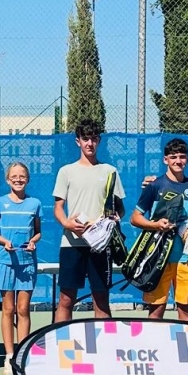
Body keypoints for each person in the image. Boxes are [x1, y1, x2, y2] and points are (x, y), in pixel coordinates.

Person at [52, 119, 124, 323]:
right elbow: (58, 208)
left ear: (99, 140)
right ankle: (61, 341)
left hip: (100, 246)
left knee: (101, 299)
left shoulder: (110, 171)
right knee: (66, 299)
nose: (90, 143)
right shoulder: (66, 171)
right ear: (78, 141)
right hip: (72, 244)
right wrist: (67, 223)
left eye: (93, 139)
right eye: (85, 139)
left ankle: (104, 342)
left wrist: (109, 221)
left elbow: (120, 208)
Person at [130, 138, 188, 322]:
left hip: (187, 258)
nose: (178, 161)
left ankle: (186, 342)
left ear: (187, 159)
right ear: (165, 160)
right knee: (156, 310)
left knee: (185, 310)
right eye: (173, 157)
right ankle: (154, 341)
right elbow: (135, 218)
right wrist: (156, 225)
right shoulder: (154, 186)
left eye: (182, 157)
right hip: (158, 258)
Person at [0, 161, 43, 375]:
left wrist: (33, 241)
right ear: (7, 179)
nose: (18, 179)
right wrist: (4, 241)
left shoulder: (35, 204)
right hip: (5, 261)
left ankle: (22, 354)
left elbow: (38, 232)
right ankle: (9, 356)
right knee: (8, 309)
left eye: (22, 176)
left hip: (27, 262)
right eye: (14, 176)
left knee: (23, 309)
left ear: (27, 179)